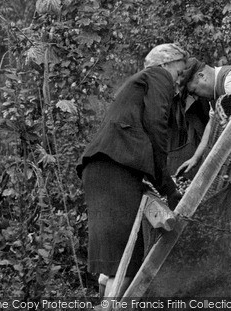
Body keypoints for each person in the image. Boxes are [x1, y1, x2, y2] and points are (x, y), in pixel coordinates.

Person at [76, 43, 188, 296]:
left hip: (102, 169)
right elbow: (156, 124)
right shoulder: (157, 75)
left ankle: (107, 301)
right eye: (179, 73)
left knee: (116, 258)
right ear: (165, 64)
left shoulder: (136, 84)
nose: (178, 82)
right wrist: (166, 184)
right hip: (116, 169)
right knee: (128, 260)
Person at [174, 60, 231, 176]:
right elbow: (211, 123)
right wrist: (195, 158)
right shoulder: (215, 94)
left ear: (202, 76)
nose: (197, 97)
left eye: (194, 91)